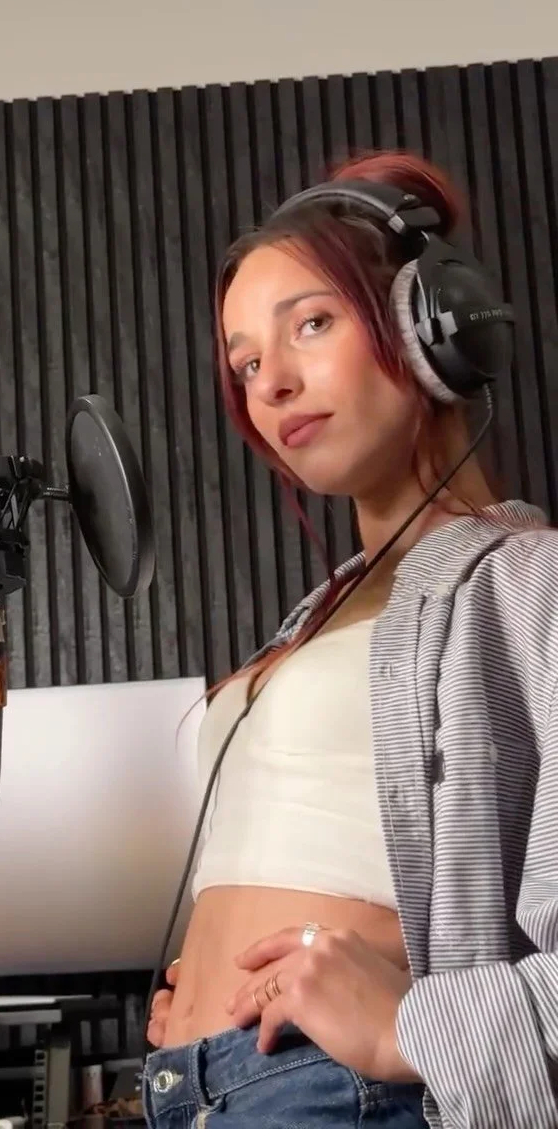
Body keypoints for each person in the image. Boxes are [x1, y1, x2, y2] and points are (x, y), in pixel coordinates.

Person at [142, 150, 558, 1129]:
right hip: (194, 1090)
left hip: (341, 1095)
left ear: (432, 326)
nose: (272, 384)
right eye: (246, 363)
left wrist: (414, 1029)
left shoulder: (530, 581)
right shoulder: (314, 616)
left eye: (311, 324)